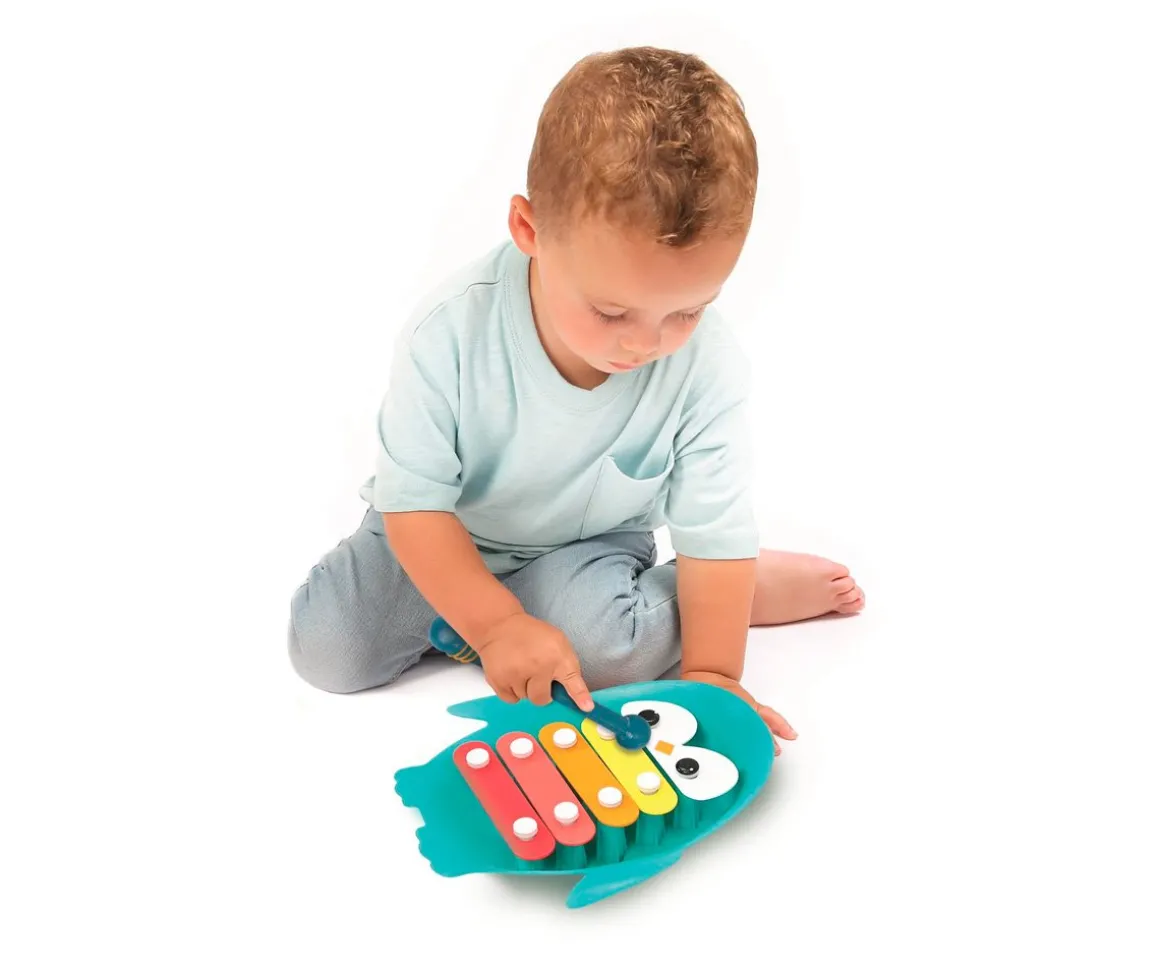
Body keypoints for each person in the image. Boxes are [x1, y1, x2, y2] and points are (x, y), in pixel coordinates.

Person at [287, 46, 864, 754]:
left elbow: (712, 528)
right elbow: (415, 505)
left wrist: (713, 674)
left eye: (688, 311)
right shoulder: (450, 333)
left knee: (612, 656)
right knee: (328, 649)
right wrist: (496, 626)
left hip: (585, 551)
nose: (647, 344)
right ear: (530, 232)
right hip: (439, 531)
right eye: (612, 311)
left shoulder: (707, 366)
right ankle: (497, 618)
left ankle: (731, 591)